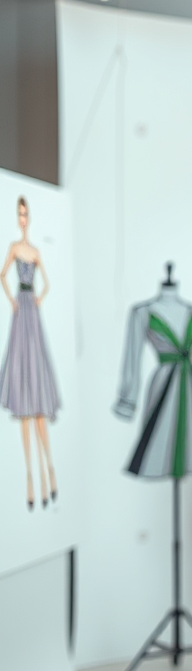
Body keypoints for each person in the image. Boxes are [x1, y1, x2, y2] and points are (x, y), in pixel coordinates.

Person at [0, 196, 61, 511]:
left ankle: (49, 471)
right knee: (25, 392)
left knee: (36, 388)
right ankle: (30, 478)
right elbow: (2, 275)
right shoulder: (14, 248)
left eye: (26, 214)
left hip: (31, 313)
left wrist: (37, 298)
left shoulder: (34, 252)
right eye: (19, 214)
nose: (23, 219)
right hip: (21, 312)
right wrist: (12, 300)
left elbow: (46, 283)